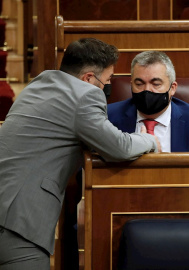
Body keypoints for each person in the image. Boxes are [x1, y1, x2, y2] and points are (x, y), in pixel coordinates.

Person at [0, 38, 159, 269]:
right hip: (18, 221)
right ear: (88, 79)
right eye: (107, 81)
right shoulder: (85, 95)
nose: (107, 87)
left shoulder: (39, 83)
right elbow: (118, 147)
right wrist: (149, 140)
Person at [107, 51, 189, 152]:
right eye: (139, 84)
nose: (147, 90)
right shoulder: (108, 118)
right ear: (131, 85)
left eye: (156, 84)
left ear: (172, 88)